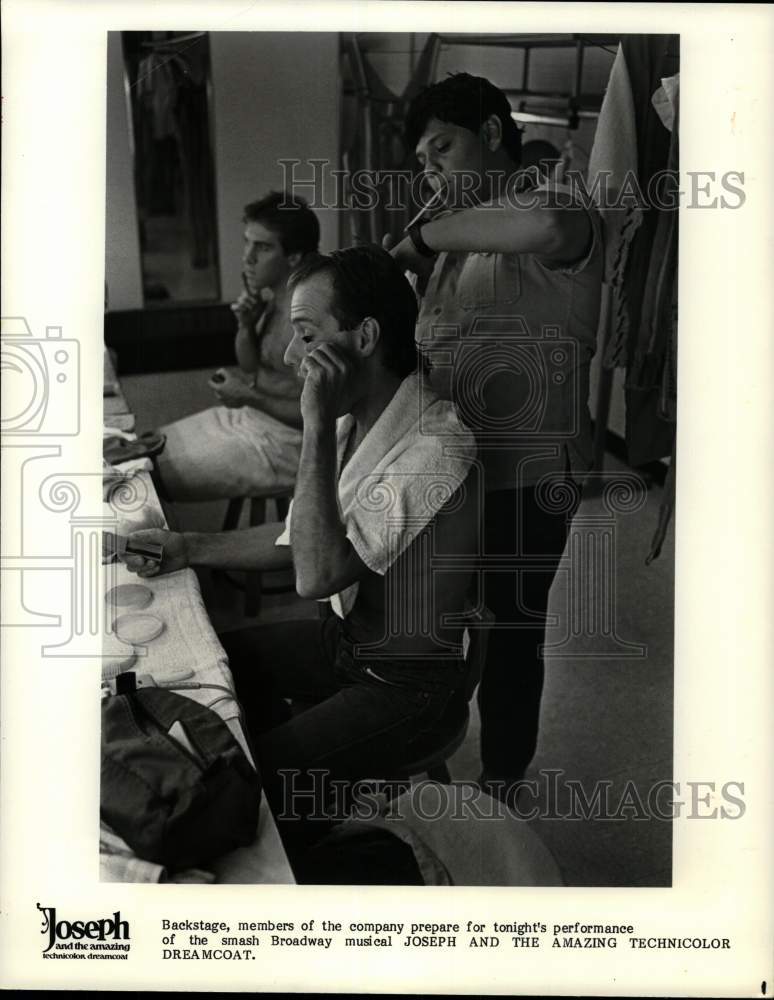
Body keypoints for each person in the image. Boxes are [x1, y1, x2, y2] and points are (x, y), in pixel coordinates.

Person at [123, 245, 479, 851]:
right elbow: (299, 537)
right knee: (220, 668)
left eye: (307, 334)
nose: (292, 357)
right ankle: (316, 801)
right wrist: (189, 547)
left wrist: (313, 426)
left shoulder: (433, 448)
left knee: (245, 783)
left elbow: (316, 574)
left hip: (409, 685)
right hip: (350, 645)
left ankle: (313, 844)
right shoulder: (361, 420)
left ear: (364, 337)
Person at [389, 73, 604, 799]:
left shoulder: (557, 202)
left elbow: (542, 231)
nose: (432, 169)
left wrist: (420, 236)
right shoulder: (451, 240)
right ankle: (425, 760)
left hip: (529, 476)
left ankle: (502, 783)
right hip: (456, 474)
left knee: (511, 635)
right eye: (422, 159)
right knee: (437, 623)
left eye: (441, 147)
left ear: (489, 131)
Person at [154, 191, 320, 501]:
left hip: (291, 442)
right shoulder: (275, 298)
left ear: (294, 257)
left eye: (263, 247)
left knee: (150, 478)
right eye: (248, 242)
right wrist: (246, 326)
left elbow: (320, 413)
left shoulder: (308, 317)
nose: (248, 258)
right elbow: (251, 367)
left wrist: (247, 396)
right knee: (145, 448)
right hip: (253, 416)